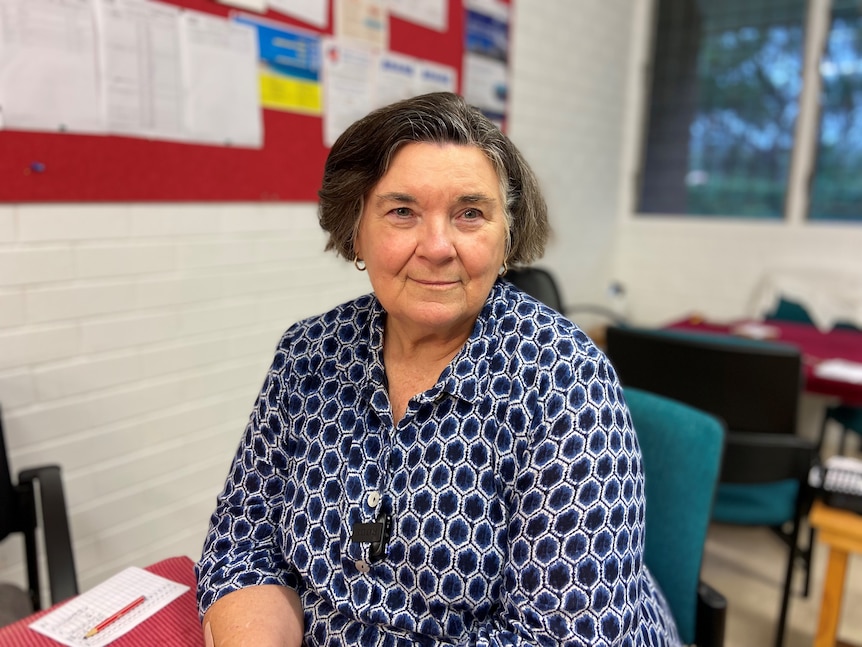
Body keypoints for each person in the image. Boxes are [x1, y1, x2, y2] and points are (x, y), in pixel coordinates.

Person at [196, 92, 681, 647]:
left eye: (470, 213)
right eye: (402, 211)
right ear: (356, 231)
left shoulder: (564, 381)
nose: (437, 246)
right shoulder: (308, 354)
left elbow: (567, 636)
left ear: (507, 238)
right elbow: (242, 539)